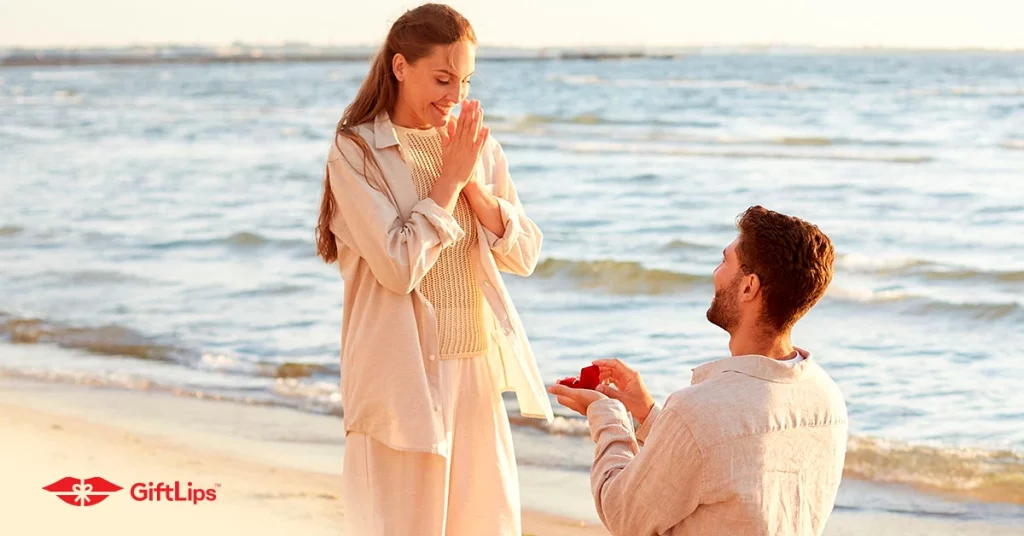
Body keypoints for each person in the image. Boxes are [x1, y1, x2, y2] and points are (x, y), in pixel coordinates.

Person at [314, 4, 553, 535]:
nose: (455, 95)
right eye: (442, 78)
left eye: (465, 80)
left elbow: (525, 253)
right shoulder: (356, 152)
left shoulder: (477, 145)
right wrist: (447, 183)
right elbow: (398, 267)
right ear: (401, 67)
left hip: (475, 370)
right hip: (402, 374)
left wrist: (470, 182)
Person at [549, 206, 848, 536]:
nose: (715, 273)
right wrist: (648, 413)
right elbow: (731, 461)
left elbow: (623, 515)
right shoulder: (827, 397)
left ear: (749, 287)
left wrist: (607, 414)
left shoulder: (698, 412)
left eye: (724, 262)